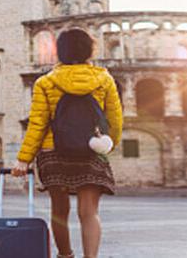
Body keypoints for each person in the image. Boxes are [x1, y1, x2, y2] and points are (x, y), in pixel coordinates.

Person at [11, 29, 122, 258]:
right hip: (90, 148)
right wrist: (109, 144)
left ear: (60, 52)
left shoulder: (45, 82)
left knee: (59, 211)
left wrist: (24, 159)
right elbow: (115, 119)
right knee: (88, 212)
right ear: (90, 51)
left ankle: (65, 256)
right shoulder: (104, 79)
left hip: (54, 151)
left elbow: (37, 124)